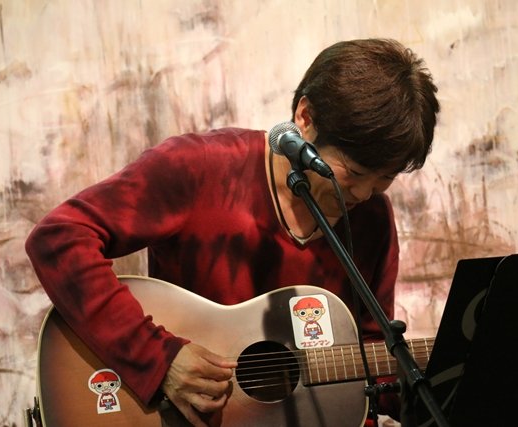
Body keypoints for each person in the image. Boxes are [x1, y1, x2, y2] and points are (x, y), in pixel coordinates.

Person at [25, 38, 439, 426]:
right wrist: (159, 359)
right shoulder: (200, 168)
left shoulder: (372, 218)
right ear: (305, 118)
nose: (364, 194)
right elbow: (59, 239)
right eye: (354, 173)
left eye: (384, 179)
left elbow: (372, 357)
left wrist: (442, 382)